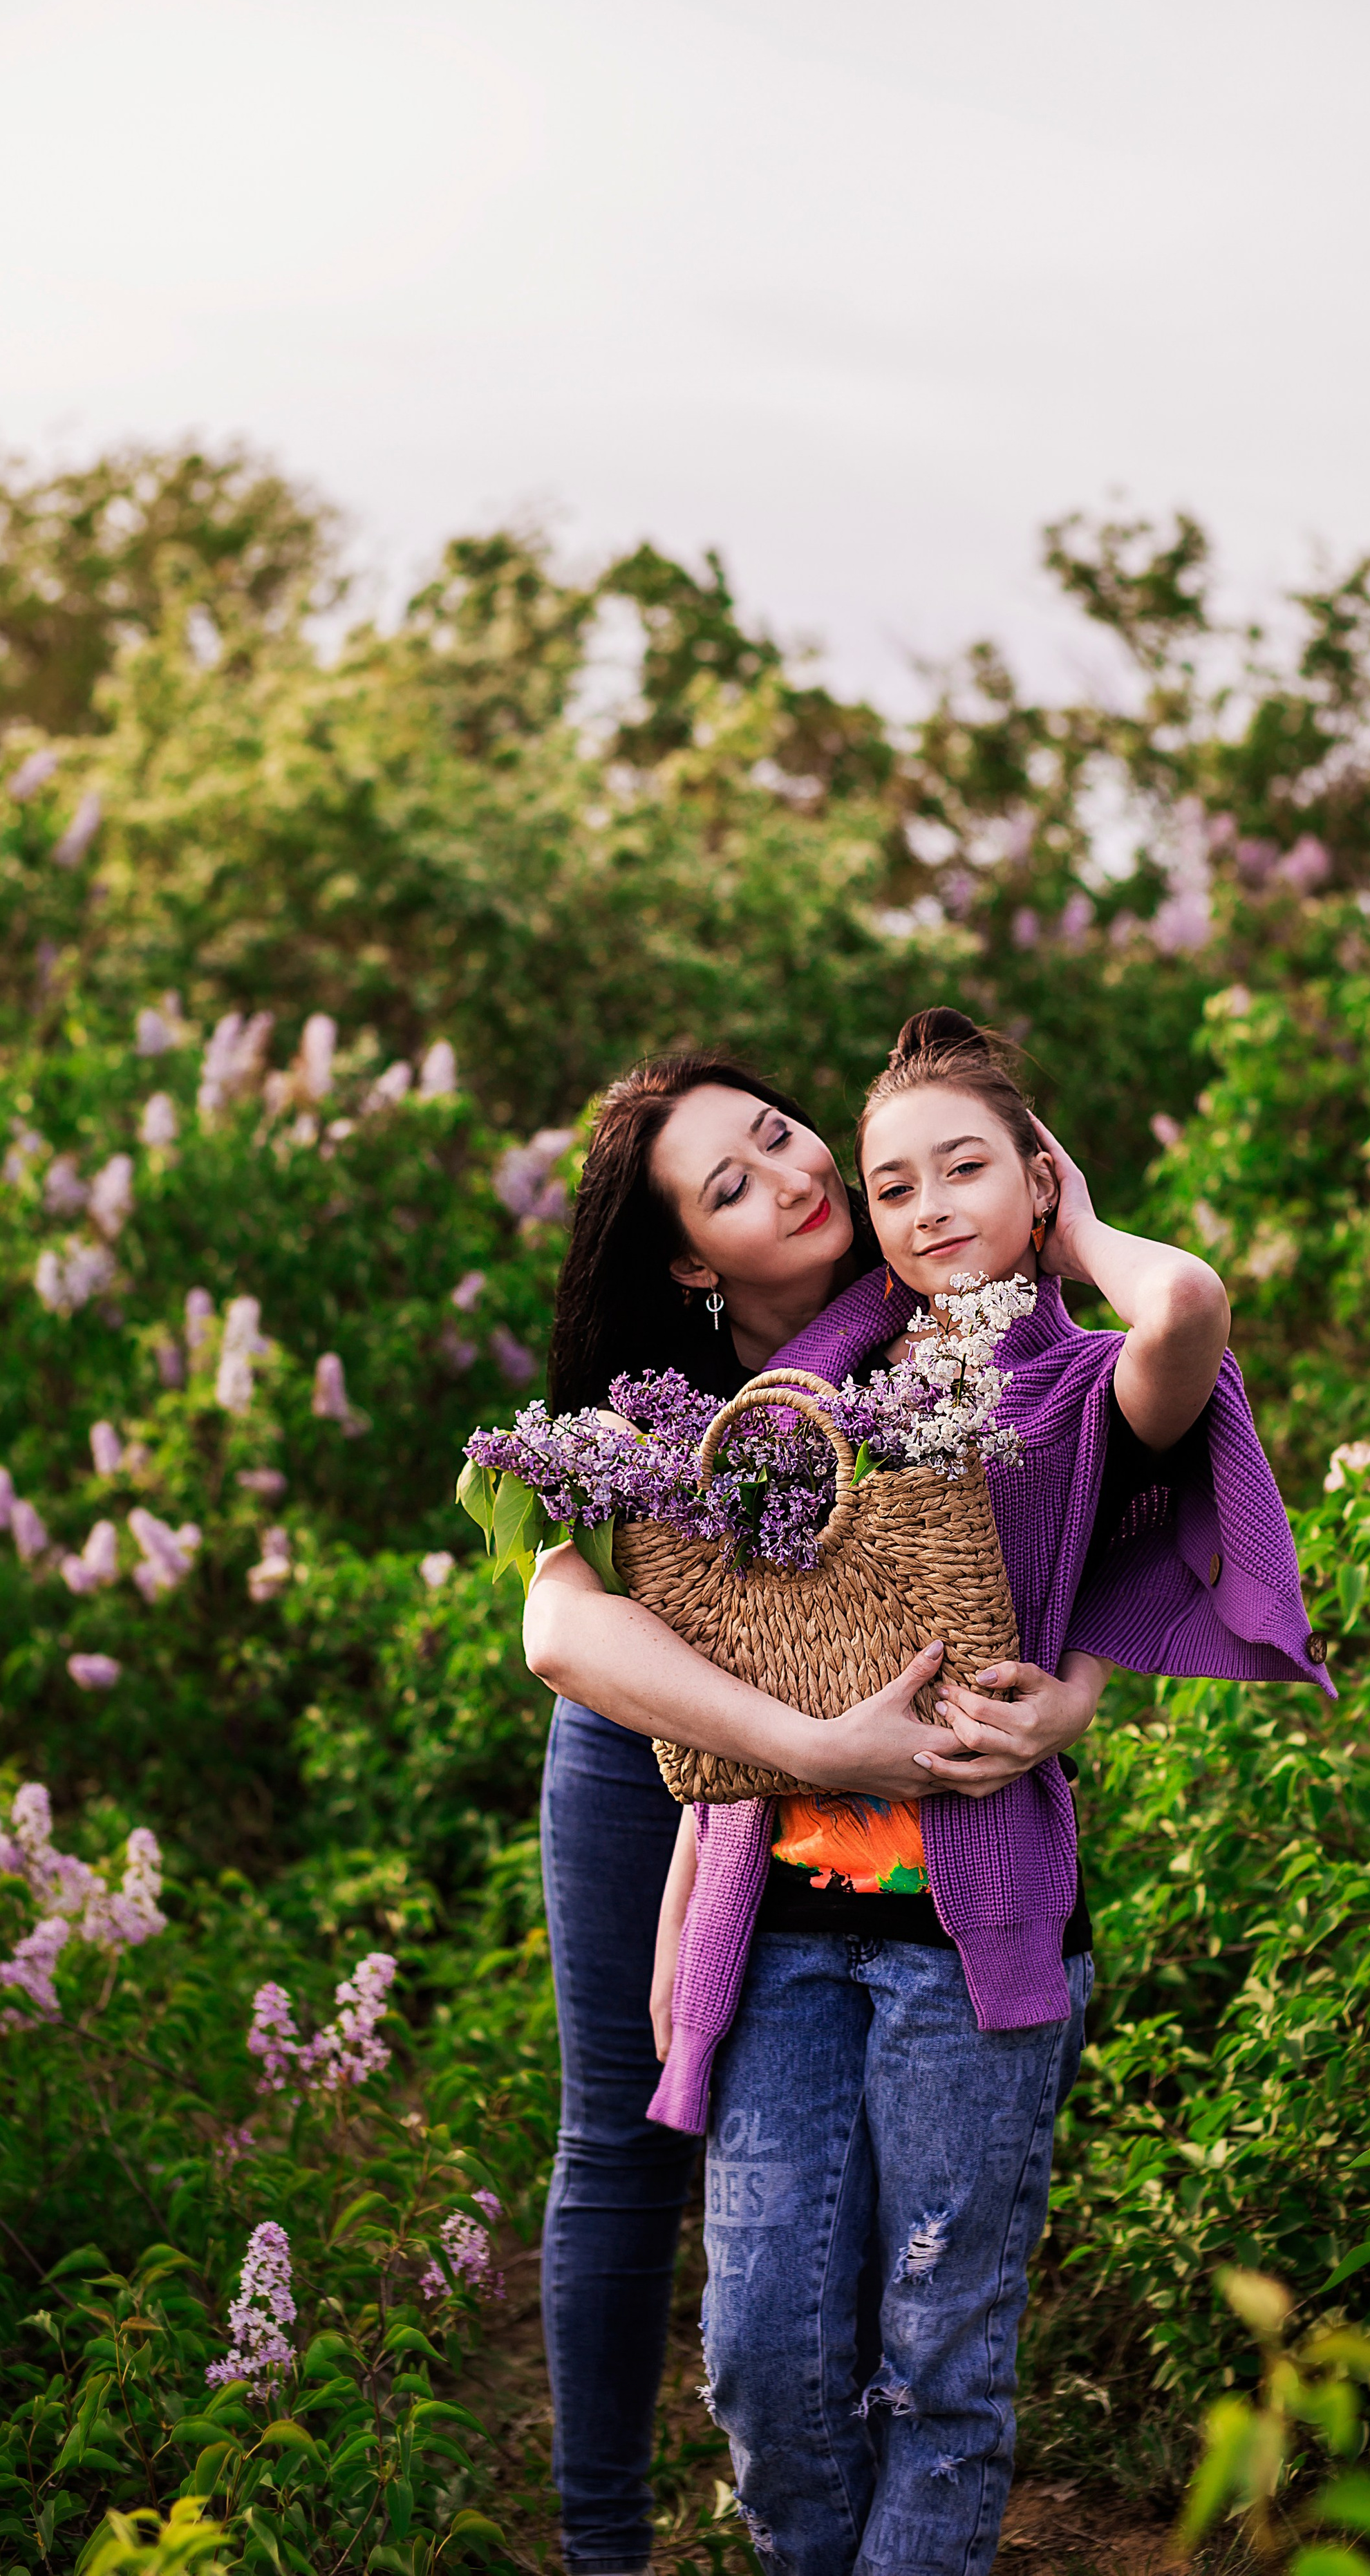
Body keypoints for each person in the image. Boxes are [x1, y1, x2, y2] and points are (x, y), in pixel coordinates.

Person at [638, 1010, 1330, 2576]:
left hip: (969, 1947)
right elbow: (738, 1675)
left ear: (1033, 1181)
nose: (930, 1205)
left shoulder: (1077, 1390)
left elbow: (1191, 1309)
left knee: (936, 2366)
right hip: (780, 1934)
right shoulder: (802, 1406)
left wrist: (1082, 1234)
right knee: (763, 2354)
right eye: (894, 1185)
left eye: (967, 1170)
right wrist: (686, 1910)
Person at [536, 1049, 960, 2576]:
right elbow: (563, 1633)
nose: (793, 1179)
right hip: (649, 1752)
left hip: (856, 1789)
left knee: (829, 2136)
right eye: (731, 1186)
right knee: (620, 2140)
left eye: (781, 1137)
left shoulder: (941, 1322)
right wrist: (799, 1746)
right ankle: (603, 2550)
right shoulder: (656, 1403)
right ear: (683, 1257)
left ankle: (825, 2507)